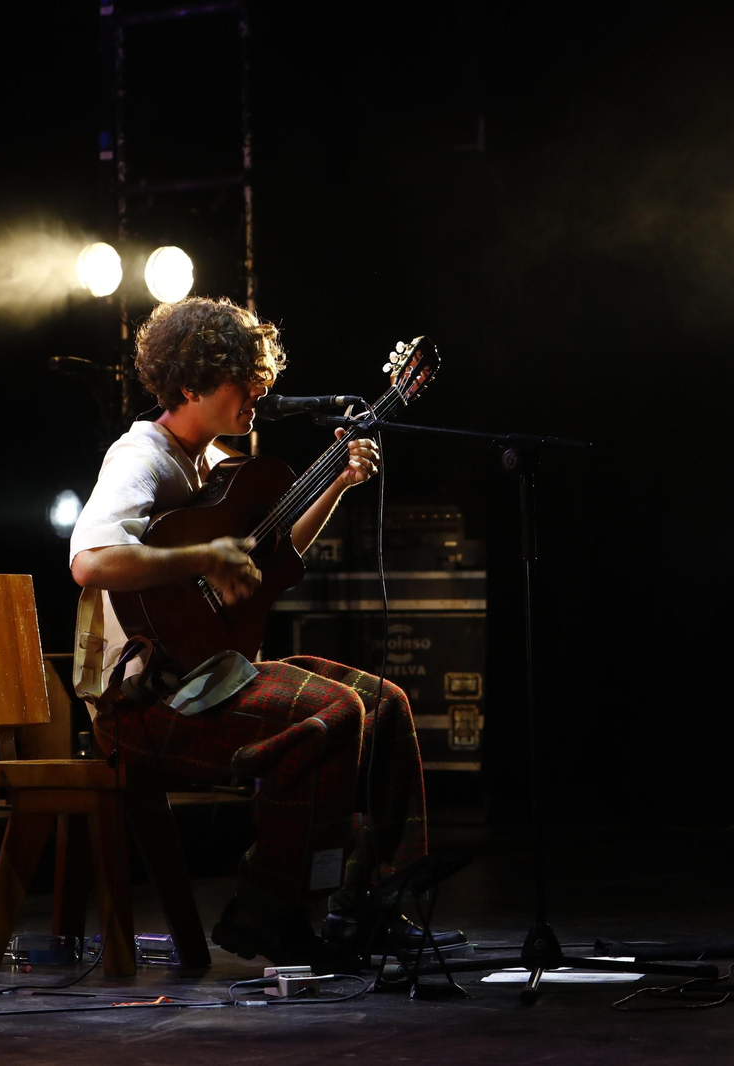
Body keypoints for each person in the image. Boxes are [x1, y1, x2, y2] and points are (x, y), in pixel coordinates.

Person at [68, 296, 462, 967]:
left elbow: (272, 565)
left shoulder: (215, 462)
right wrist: (201, 557)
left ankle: (374, 901)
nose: (257, 393)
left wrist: (335, 484)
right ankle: (269, 910)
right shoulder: (141, 458)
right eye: (239, 383)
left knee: (387, 704)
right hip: (146, 703)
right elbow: (89, 561)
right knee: (331, 712)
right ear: (190, 385)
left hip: (211, 677)